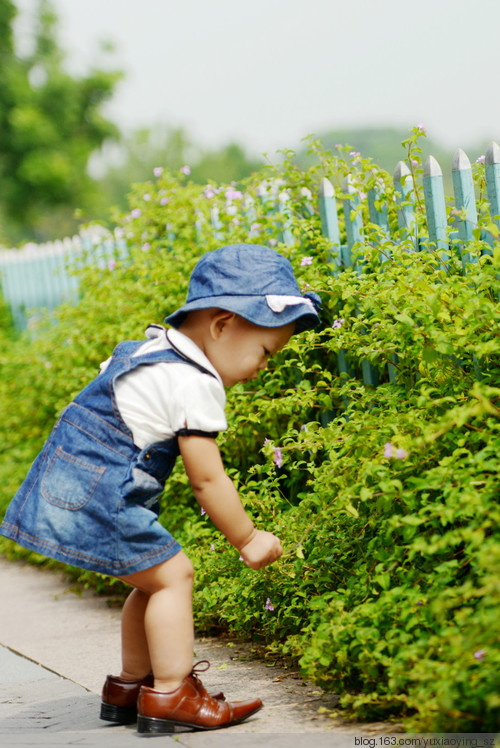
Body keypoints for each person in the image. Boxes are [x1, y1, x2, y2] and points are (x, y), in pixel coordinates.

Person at [0, 243, 320, 734]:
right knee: (175, 576)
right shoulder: (193, 381)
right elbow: (206, 478)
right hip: (102, 490)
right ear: (222, 325)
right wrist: (248, 537)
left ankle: (131, 685)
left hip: (72, 479)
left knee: (150, 580)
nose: (263, 368)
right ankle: (171, 694)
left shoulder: (149, 351)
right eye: (264, 352)